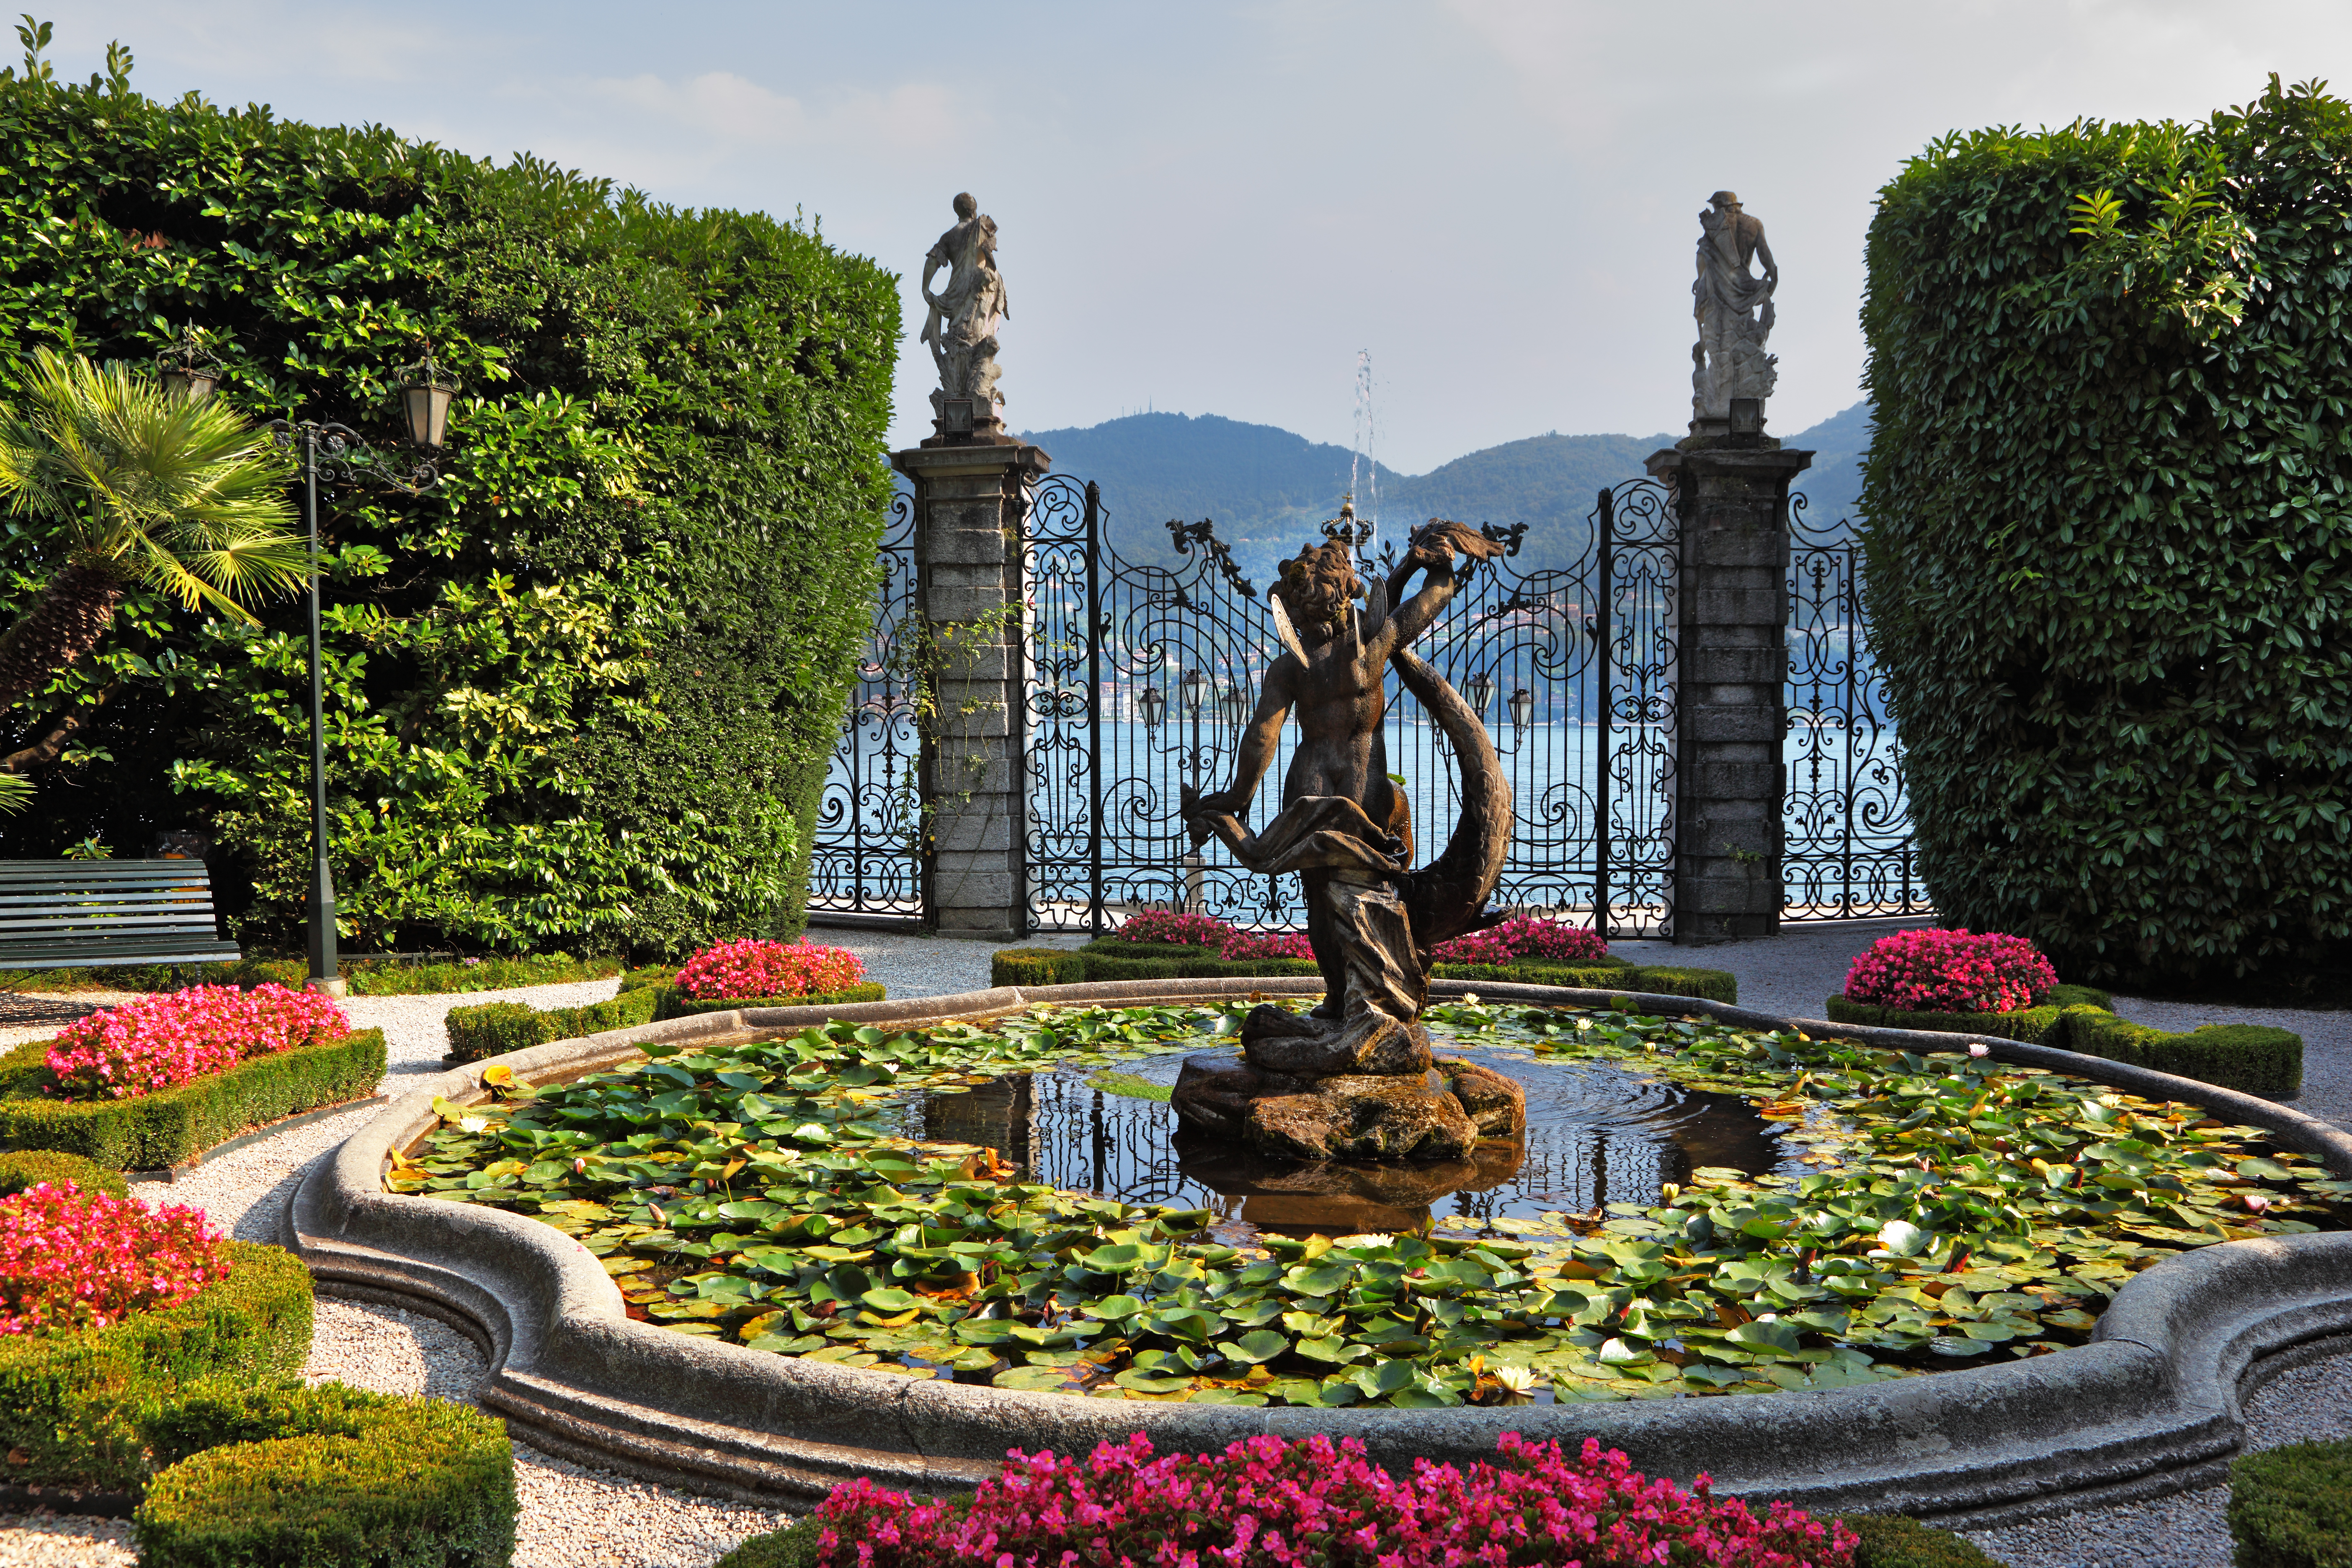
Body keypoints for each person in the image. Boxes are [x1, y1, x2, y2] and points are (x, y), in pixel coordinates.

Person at [1184, 520, 1501, 1068]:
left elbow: (1262, 736)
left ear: (1297, 607)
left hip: (1308, 787)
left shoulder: (1290, 667)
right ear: (1347, 592)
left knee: (1321, 903)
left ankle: (1340, 1001)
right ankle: (1388, 998)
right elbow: (1436, 598)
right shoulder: (1373, 648)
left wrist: (1238, 797)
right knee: (1388, 893)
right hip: (1368, 790)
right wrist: (1439, 566)